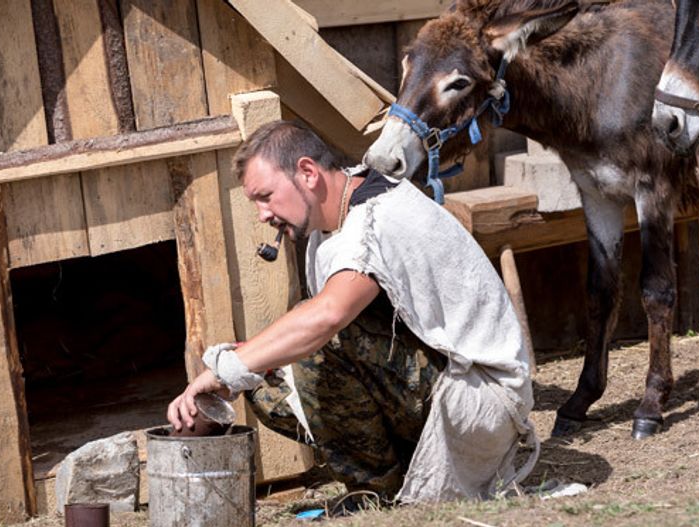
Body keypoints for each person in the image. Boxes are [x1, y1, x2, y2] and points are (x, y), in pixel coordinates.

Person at [167, 120, 538, 504]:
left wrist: (224, 368)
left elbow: (328, 316)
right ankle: (397, 476)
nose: (262, 214)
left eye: (266, 196)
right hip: (440, 389)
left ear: (308, 172)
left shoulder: (373, 220)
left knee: (315, 343)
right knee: (265, 380)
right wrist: (241, 366)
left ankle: (377, 492)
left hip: (482, 400)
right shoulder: (336, 221)